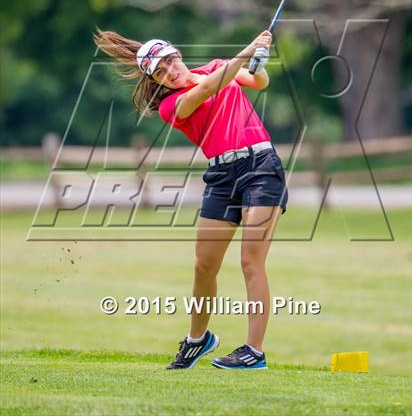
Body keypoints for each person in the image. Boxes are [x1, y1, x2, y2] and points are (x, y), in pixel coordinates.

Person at [93, 29, 288, 370]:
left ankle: (254, 351)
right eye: (160, 72)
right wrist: (248, 50)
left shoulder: (215, 65)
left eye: (170, 61)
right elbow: (210, 87)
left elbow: (258, 83)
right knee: (203, 266)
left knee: (250, 261)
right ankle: (198, 340)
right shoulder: (172, 106)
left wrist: (259, 61)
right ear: (157, 82)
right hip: (221, 176)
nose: (170, 71)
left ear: (178, 54)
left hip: (261, 168)